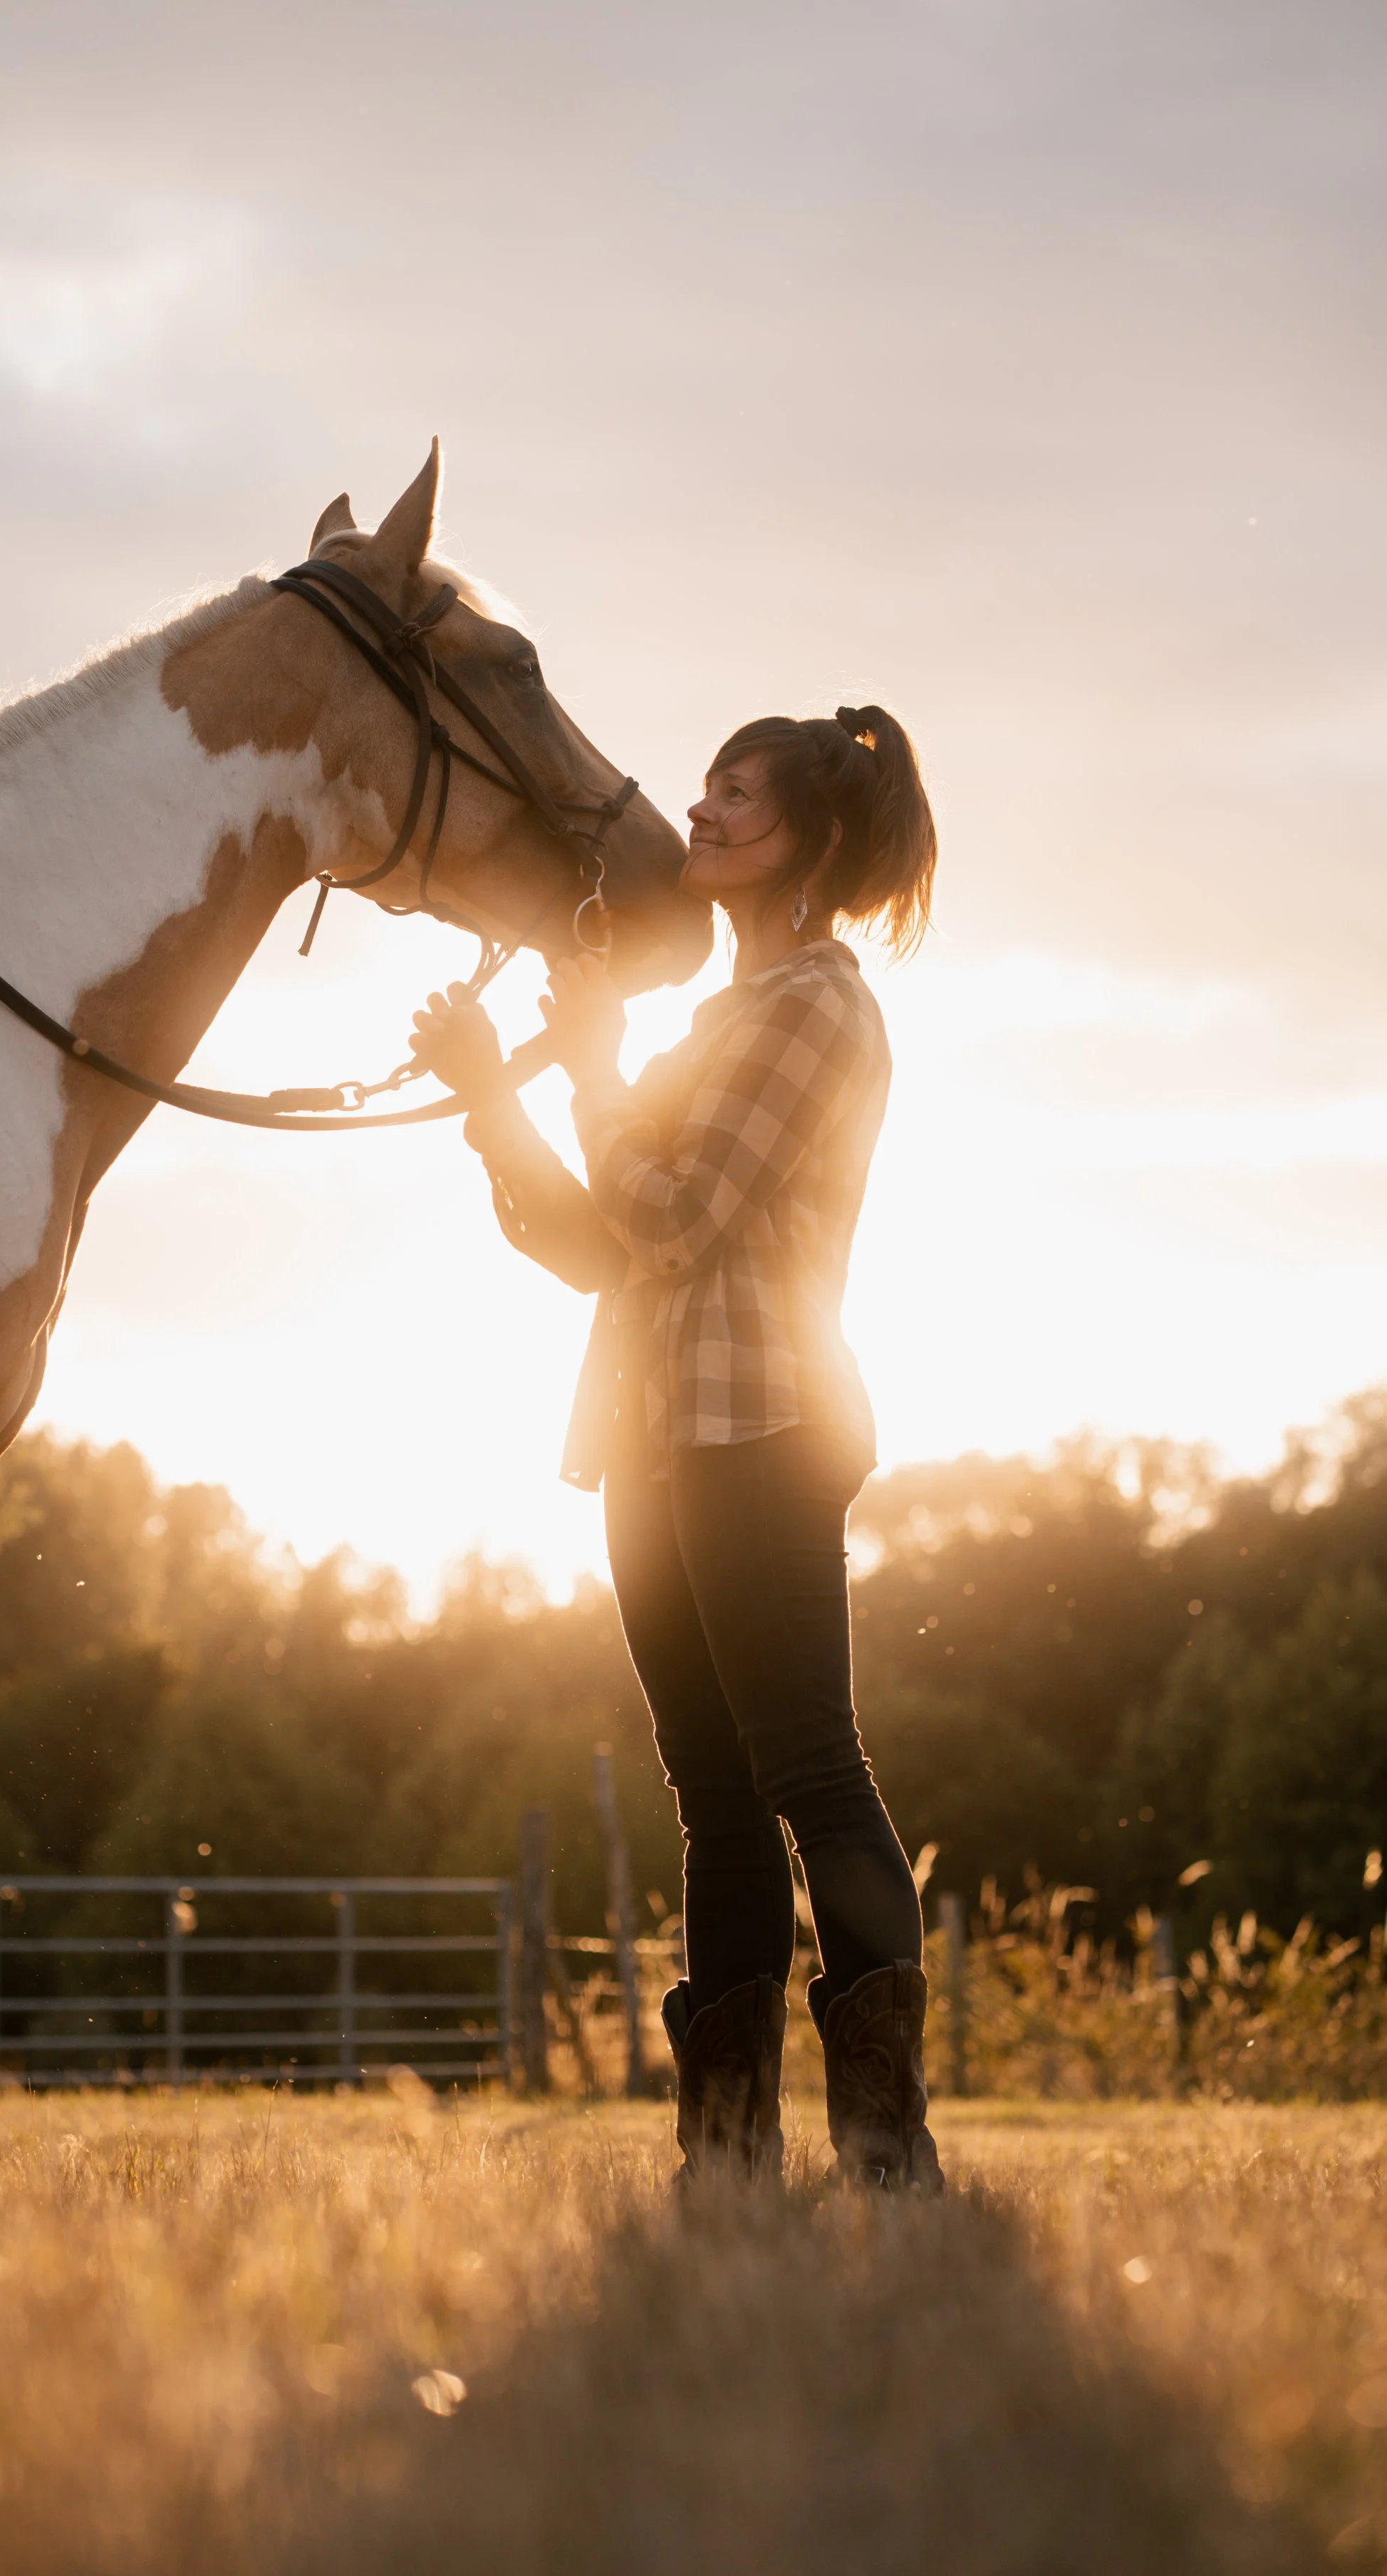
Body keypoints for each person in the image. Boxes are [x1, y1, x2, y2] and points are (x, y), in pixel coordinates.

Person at [410, 707, 941, 2189]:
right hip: (652, 1434)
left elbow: (665, 1214)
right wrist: (494, 1092)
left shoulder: (812, 1011)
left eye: (737, 796)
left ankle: (887, 2148)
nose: (698, 811)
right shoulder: (724, 1020)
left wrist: (584, 1074)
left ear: (814, 843)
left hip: (757, 1426)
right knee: (714, 1803)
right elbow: (595, 1249)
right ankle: (727, 2154)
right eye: (704, 786)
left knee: (810, 1773)